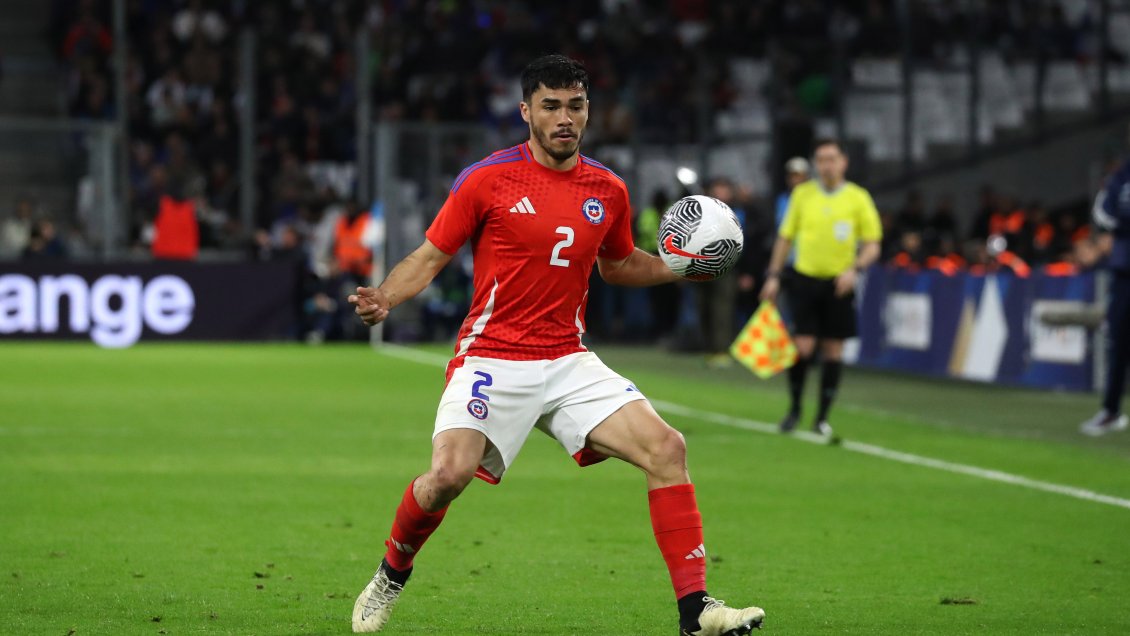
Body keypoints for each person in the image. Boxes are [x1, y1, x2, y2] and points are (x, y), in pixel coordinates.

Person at [346, 55, 764, 636]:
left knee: (667, 448)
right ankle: (392, 573)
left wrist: (678, 267)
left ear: (588, 111)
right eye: (551, 106)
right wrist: (387, 297)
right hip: (492, 354)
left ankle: (696, 612)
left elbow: (617, 266)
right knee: (447, 475)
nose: (564, 118)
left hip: (567, 358)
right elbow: (430, 256)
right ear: (526, 112)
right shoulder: (487, 179)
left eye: (575, 106)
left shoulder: (607, 187)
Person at [759, 139, 882, 438]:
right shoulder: (802, 194)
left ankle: (822, 418)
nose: (827, 165)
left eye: (832, 159)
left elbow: (873, 244)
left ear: (844, 162)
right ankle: (795, 409)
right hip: (804, 278)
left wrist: (855, 269)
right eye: (822, 159)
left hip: (839, 283)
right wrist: (774, 275)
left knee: (833, 349)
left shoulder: (858, 198)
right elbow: (785, 237)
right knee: (802, 346)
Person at [1080, 127, 1130, 436]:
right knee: (1118, 343)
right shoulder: (1123, 175)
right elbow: (1104, 212)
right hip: (1125, 270)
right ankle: (1111, 411)